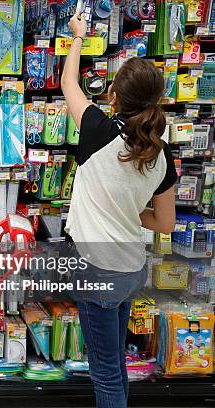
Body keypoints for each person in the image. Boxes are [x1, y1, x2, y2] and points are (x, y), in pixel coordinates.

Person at [61, 10, 177, 408]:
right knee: (117, 367)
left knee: (106, 374)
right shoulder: (162, 155)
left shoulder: (97, 130)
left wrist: (77, 36)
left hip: (97, 268)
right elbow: (165, 221)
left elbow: (68, 83)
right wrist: (129, 211)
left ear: (113, 97)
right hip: (130, 269)